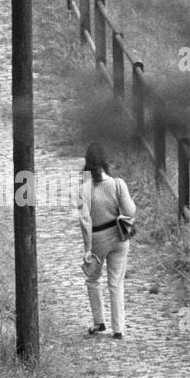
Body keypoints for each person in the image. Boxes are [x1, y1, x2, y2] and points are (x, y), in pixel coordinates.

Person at [78, 143, 136, 340]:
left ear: (87, 162)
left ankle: (99, 322)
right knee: (116, 283)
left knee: (93, 279)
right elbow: (130, 211)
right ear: (105, 161)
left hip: (97, 239)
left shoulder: (84, 189)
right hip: (120, 237)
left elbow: (85, 221)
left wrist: (87, 248)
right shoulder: (118, 184)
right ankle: (118, 329)